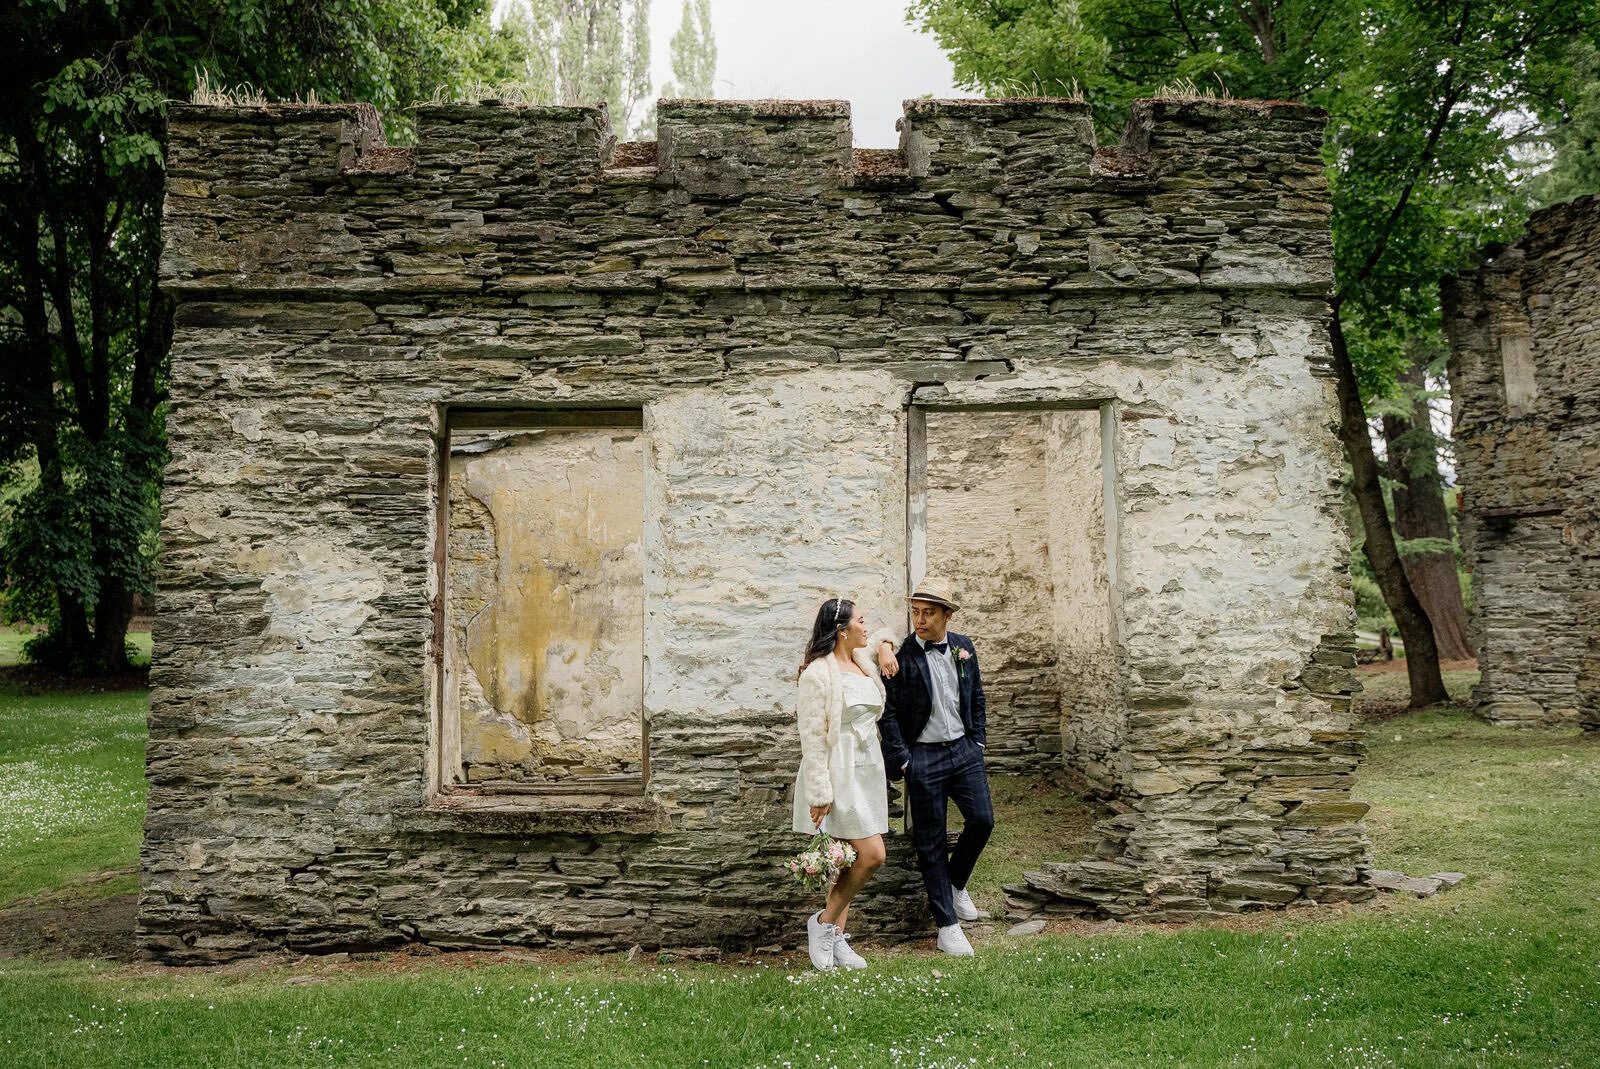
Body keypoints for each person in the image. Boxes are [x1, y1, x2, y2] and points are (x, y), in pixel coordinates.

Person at [875, 577, 993, 957]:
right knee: (930, 841)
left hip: (964, 751)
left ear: (947, 615)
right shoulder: (901, 657)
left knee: (983, 820)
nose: (919, 620)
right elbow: (888, 715)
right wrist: (906, 761)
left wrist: (977, 741)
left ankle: (956, 885)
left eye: (928, 613)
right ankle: (947, 925)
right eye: (915, 612)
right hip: (923, 757)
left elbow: (975, 695)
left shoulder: (964, 647)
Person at [791, 597, 898, 971]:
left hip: (867, 769)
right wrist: (820, 792)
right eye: (860, 622)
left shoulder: (862, 661)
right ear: (841, 630)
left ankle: (836, 937)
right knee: (873, 855)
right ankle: (821, 925)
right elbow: (812, 737)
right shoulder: (817, 674)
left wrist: (885, 647)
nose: (866, 627)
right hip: (838, 771)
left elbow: (885, 635)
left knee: (848, 862)